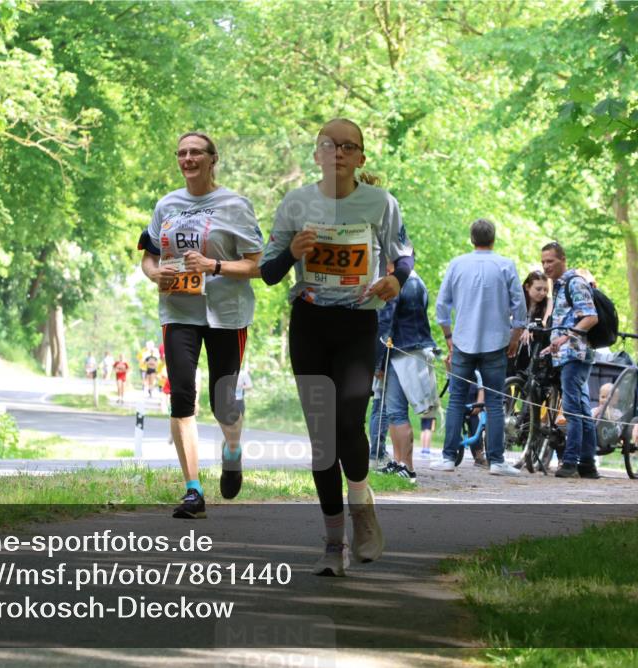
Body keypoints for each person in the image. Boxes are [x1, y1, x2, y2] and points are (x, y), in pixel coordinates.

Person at [259, 118, 414, 576]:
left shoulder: (380, 203)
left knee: (349, 418)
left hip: (356, 322)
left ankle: (361, 504)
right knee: (322, 440)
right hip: (309, 322)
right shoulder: (295, 203)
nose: (338, 153)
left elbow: (403, 254)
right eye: (329, 145)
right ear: (317, 155)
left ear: (361, 158)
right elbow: (269, 271)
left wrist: (394, 279)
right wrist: (294, 252)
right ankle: (332, 544)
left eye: (348, 146)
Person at [139, 131, 263, 519]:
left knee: (222, 401)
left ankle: (232, 448)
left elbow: (259, 265)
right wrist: (154, 274)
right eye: (181, 153)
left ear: (213, 159)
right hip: (179, 310)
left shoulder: (235, 205)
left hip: (227, 312)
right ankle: (193, 490)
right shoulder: (167, 205)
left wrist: (215, 267)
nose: (188, 158)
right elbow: (149, 256)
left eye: (196, 152)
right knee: (181, 396)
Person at [431, 219, 526, 476]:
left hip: (463, 341)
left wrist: (449, 336)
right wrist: (515, 337)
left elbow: (442, 306)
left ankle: (449, 457)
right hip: (496, 342)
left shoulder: (457, 264)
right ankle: (496, 461)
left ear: (472, 239)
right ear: (493, 239)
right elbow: (519, 306)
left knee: (457, 399)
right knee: (495, 401)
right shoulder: (506, 265)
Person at [540, 241, 600, 479]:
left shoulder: (574, 283)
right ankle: (587, 463)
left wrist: (565, 338)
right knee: (582, 407)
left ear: (562, 259)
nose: (546, 266)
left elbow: (590, 317)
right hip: (565, 354)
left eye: (550, 261)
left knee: (573, 409)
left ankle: (570, 461)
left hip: (576, 354)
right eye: (543, 262)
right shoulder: (558, 285)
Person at [375, 264, 439, 483]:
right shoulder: (418, 281)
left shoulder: (398, 283)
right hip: (413, 350)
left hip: (402, 353)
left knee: (398, 412)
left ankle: (408, 467)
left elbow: (386, 325)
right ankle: (398, 462)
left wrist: (378, 363)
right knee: (395, 412)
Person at [508, 270, 552, 377]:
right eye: (538, 289)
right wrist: (522, 330)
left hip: (537, 341)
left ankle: (524, 373)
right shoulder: (517, 300)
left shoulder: (548, 302)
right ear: (527, 287)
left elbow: (545, 322)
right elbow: (509, 318)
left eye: (545, 290)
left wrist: (530, 329)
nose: (543, 293)